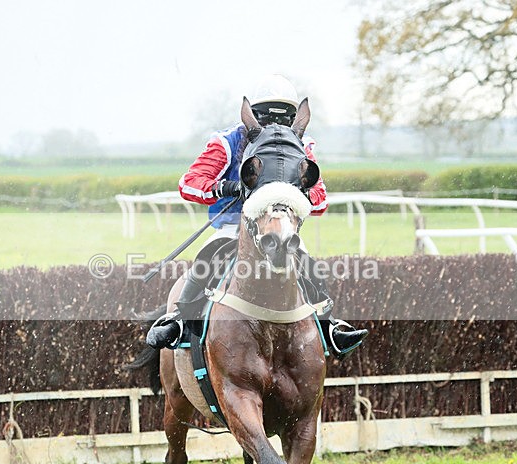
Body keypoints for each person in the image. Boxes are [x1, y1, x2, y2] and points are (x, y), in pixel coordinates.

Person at [147, 74, 367, 357]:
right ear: (254, 116)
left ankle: (328, 327)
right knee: (207, 259)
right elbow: (189, 183)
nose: (274, 127)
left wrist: (295, 196)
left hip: (280, 225)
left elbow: (320, 198)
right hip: (232, 227)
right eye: (267, 119)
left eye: (283, 119)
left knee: (308, 263)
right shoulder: (228, 141)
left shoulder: (303, 145)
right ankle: (178, 321)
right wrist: (228, 187)